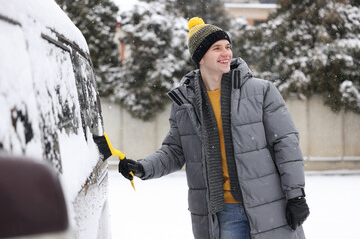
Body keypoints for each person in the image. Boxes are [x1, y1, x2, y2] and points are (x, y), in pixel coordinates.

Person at [118, 17, 310, 239]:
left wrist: (296, 195)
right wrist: (143, 167)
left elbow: (285, 143)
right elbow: (175, 150)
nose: (226, 53)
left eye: (227, 47)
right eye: (217, 48)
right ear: (200, 58)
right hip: (222, 214)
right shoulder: (185, 103)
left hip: (269, 205)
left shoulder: (261, 92)